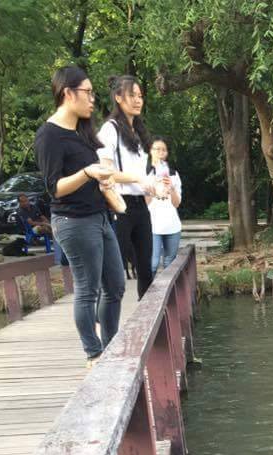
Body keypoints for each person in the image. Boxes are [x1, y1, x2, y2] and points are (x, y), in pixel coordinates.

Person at [34, 65, 125, 368]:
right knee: (88, 289)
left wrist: (106, 179)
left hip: (99, 217)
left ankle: (109, 346)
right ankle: (93, 352)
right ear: (67, 93)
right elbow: (54, 188)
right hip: (73, 222)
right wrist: (86, 173)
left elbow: (98, 171)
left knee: (116, 286)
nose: (92, 99)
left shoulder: (82, 131)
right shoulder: (50, 135)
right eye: (87, 92)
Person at [96, 75, 155, 298]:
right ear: (118, 97)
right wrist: (137, 180)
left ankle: (148, 324)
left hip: (140, 206)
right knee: (115, 270)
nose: (138, 100)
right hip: (119, 206)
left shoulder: (138, 132)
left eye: (140, 96)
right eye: (132, 95)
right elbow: (105, 172)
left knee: (146, 268)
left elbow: (141, 175)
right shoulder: (110, 130)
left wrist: (151, 187)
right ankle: (104, 323)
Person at [146, 137, 182, 275]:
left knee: (169, 263)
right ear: (150, 151)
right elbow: (145, 203)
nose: (160, 152)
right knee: (153, 264)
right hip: (152, 225)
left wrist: (171, 188)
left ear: (167, 153)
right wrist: (152, 187)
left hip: (172, 225)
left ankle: (166, 296)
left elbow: (177, 203)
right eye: (157, 149)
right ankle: (148, 295)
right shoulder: (145, 174)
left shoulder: (173, 174)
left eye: (164, 149)